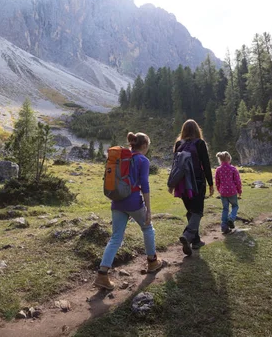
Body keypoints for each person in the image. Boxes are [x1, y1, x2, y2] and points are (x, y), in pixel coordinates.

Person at [94, 132, 163, 290]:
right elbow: (144, 185)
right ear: (144, 146)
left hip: (117, 202)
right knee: (147, 228)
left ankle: (102, 274)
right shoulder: (142, 160)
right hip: (133, 202)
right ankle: (152, 262)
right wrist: (148, 210)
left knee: (116, 238)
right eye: (148, 147)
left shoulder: (121, 158)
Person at [169, 119, 214, 256]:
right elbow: (206, 164)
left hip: (182, 184)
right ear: (197, 130)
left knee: (191, 211)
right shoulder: (200, 143)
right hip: (197, 182)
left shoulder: (178, 144)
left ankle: (196, 241)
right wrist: (211, 184)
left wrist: (172, 183)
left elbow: (174, 166)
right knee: (197, 212)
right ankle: (188, 236)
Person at [214, 151, 242, 234]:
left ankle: (224, 227)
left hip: (223, 192)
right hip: (232, 191)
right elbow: (238, 181)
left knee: (225, 209)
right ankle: (231, 218)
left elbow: (217, 181)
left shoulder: (218, 170)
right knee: (235, 206)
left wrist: (219, 190)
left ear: (220, 160)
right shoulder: (233, 169)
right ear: (229, 159)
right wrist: (239, 190)